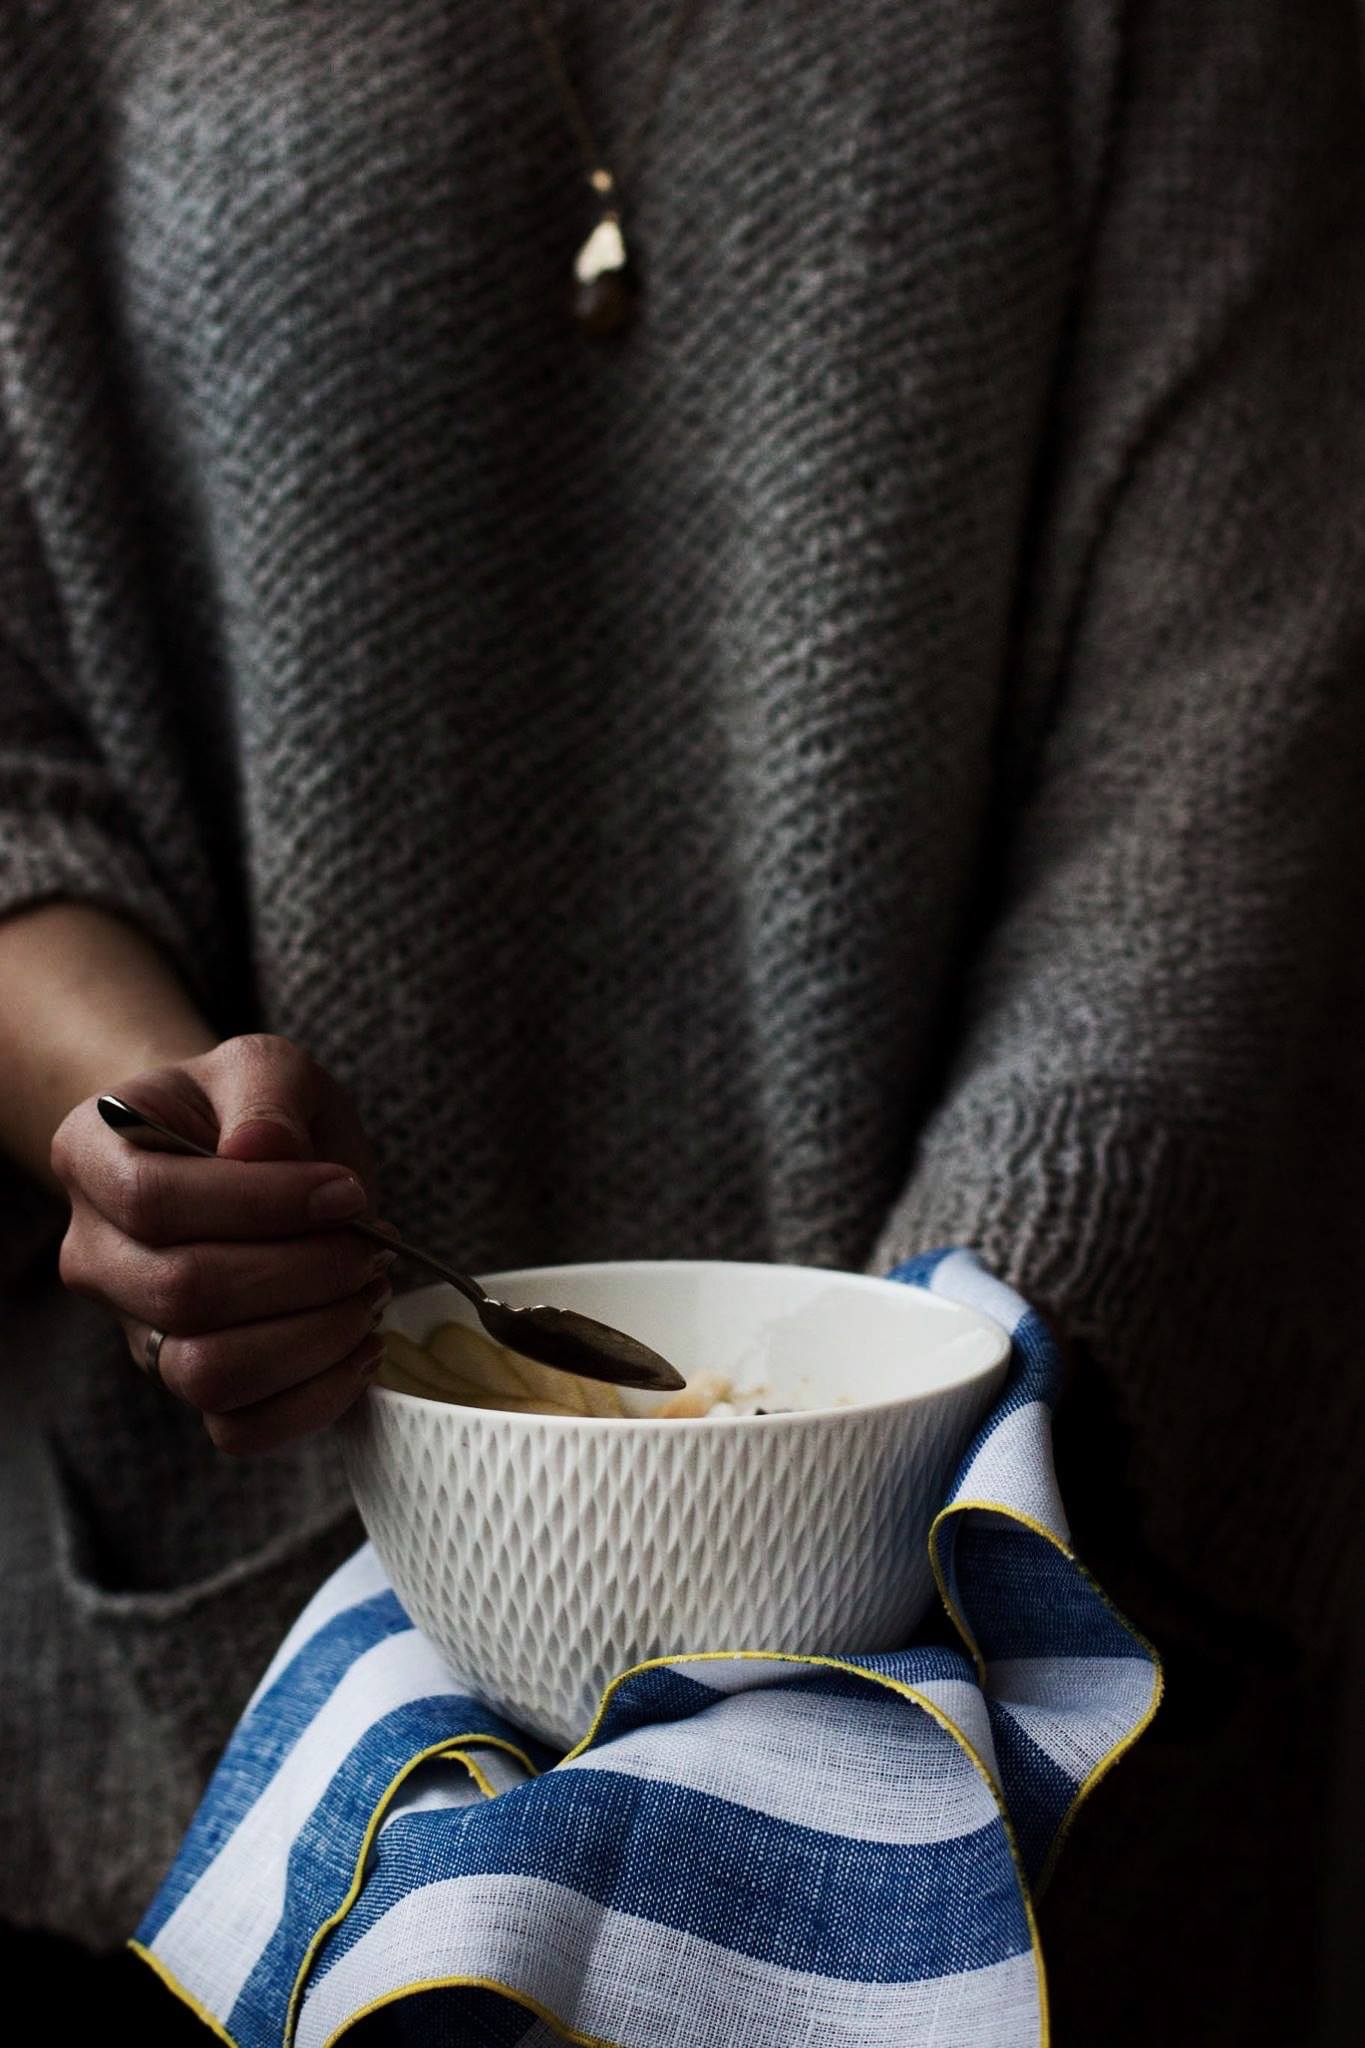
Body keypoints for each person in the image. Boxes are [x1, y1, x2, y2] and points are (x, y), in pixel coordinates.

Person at [1, 2, 1362, 2041]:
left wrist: (896, 1452)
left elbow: (1225, 778)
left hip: (1015, 1700)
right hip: (240, 1692)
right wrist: (152, 1115)